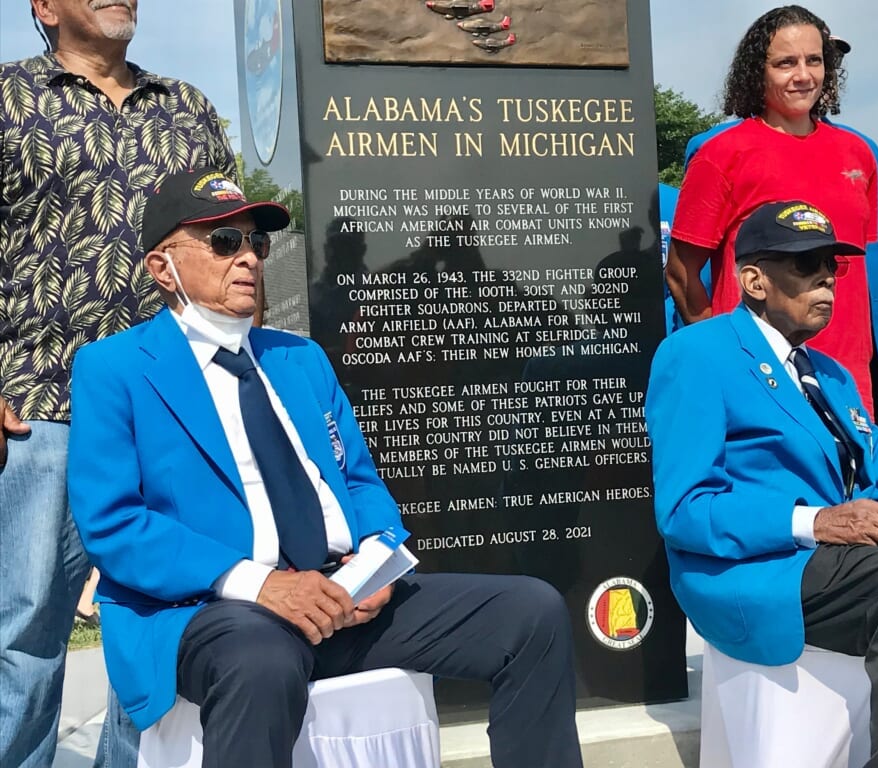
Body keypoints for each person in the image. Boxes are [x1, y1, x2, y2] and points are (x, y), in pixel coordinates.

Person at [65, 168, 583, 768]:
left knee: (532, 614)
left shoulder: (299, 359)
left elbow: (360, 481)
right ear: (163, 267)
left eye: (255, 243)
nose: (249, 260)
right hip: (210, 610)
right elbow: (114, 525)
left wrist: (376, 565)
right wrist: (262, 585)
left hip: (339, 592)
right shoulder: (115, 368)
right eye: (224, 242)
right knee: (261, 659)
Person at [646, 200, 878, 768]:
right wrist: (813, 521)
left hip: (852, 562)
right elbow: (685, 509)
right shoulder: (695, 355)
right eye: (805, 265)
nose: (826, 277)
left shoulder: (833, 375)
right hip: (762, 565)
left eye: (833, 265)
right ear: (753, 279)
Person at [0, 2, 237, 766]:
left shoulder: (188, 107)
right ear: (43, 6)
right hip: (40, 408)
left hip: (168, 405)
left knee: (166, 616)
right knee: (29, 628)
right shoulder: (8, 97)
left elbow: (225, 240)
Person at [665, 6, 878, 423]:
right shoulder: (721, 153)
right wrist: (727, 355)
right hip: (758, 387)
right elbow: (681, 273)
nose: (803, 75)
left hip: (847, 386)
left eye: (813, 60)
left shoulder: (860, 154)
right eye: (785, 63)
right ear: (756, 71)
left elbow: (863, 280)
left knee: (853, 492)